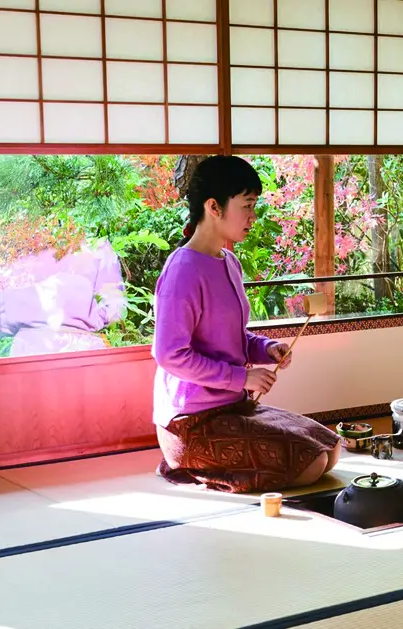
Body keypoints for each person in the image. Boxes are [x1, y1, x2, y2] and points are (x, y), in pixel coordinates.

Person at [152, 155, 341, 493]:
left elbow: (231, 336)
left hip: (231, 406)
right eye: (247, 205)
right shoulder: (183, 270)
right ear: (214, 206)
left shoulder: (229, 262)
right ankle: (188, 463)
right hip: (191, 422)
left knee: (330, 447)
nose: (254, 216)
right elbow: (170, 355)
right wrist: (242, 377)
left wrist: (267, 348)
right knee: (310, 464)